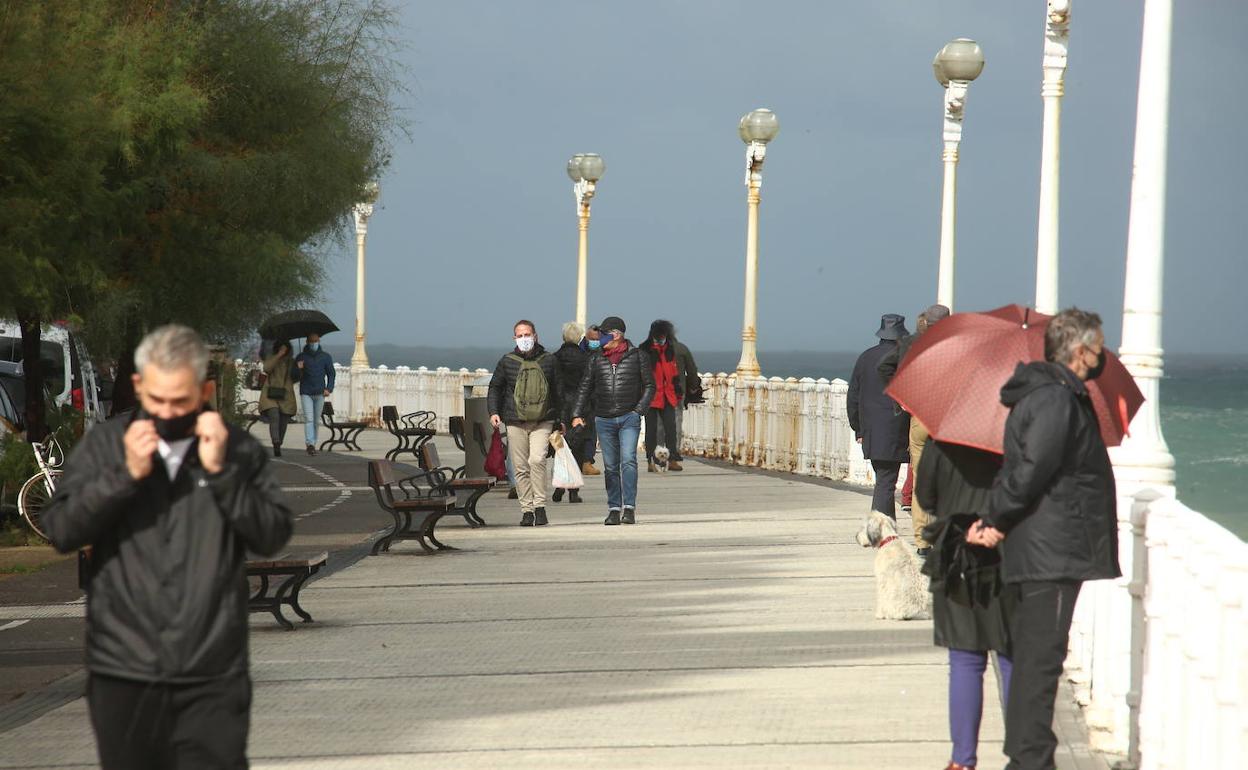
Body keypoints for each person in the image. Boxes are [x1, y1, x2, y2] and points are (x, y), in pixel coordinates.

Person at [41, 324, 293, 770]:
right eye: (157, 401)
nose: (168, 413)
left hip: (212, 672)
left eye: (181, 401)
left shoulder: (236, 451)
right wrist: (123, 475)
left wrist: (222, 475)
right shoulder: (105, 446)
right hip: (124, 669)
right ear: (139, 386)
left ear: (205, 389)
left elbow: (272, 534)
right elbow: (62, 529)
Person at [969, 308, 1119, 770]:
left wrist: (996, 518)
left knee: (1033, 658)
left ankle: (1029, 758)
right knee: (1040, 661)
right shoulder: (1055, 399)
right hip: (1051, 550)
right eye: (1098, 347)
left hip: (1043, 545)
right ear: (1079, 351)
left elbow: (1026, 468)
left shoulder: (1048, 395)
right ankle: (1030, 760)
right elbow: (1033, 470)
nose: (1102, 356)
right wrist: (994, 517)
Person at [915, 438, 1014, 770]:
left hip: (958, 554)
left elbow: (926, 497)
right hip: (1011, 553)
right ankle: (1023, 755)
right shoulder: (1020, 432)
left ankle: (962, 760)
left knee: (965, 659)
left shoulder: (943, 438)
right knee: (1012, 657)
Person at [880, 303, 951, 554]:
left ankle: (922, 541)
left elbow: (884, 367)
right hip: (946, 419)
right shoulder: (954, 344)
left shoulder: (910, 343)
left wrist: (902, 397)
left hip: (919, 417)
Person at [572, 316, 654, 525]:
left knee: (628, 461)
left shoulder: (638, 356)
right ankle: (614, 508)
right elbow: (585, 386)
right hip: (604, 418)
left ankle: (629, 507)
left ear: (617, 335)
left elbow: (649, 386)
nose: (599, 339)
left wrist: (638, 411)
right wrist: (576, 414)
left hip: (629, 417)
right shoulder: (596, 358)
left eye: (604, 334)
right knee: (610, 466)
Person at [488, 319, 563, 526]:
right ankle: (527, 510)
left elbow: (558, 390)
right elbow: (495, 387)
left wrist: (560, 420)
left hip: (543, 419)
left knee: (537, 460)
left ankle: (540, 506)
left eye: (527, 334)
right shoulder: (507, 361)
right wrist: (493, 411)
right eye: (520, 336)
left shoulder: (549, 360)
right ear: (514, 338)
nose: (524, 339)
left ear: (535, 335)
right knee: (520, 467)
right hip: (514, 420)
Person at [846, 313, 911, 518]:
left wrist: (858, 427)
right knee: (886, 481)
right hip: (897, 427)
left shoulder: (865, 357)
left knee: (883, 479)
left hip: (872, 430)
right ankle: (881, 529)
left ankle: (883, 526)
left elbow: (853, 396)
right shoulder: (906, 357)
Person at [552, 321, 591, 503]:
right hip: (579, 408)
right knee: (577, 449)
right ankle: (573, 491)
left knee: (560, 449)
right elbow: (589, 386)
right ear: (580, 338)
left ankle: (559, 486)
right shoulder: (586, 359)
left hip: (559, 408)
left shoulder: (554, 358)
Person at [640, 319, 684, 472]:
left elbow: (674, 372)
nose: (662, 338)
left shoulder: (669, 349)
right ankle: (650, 460)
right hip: (650, 396)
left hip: (667, 395)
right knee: (651, 431)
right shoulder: (644, 350)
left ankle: (672, 459)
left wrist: (677, 392)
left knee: (671, 429)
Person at [258, 340, 299, 457]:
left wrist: (300, 368)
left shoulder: (291, 362)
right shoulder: (272, 358)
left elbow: (296, 378)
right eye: (281, 348)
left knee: (284, 421)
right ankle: (276, 442)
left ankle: (279, 441)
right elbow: (266, 368)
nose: (283, 351)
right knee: (274, 416)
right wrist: (278, 355)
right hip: (270, 393)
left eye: (285, 349)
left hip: (286, 395)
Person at [295, 332, 334, 455]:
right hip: (306, 391)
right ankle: (310, 444)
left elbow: (331, 373)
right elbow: (295, 377)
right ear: (307, 342)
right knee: (309, 419)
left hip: (320, 392)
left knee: (316, 420)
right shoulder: (301, 357)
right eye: (311, 341)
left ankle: (314, 442)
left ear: (319, 341)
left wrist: (329, 388)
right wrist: (298, 368)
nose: (314, 343)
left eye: (315, 341)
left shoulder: (325, 357)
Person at [671, 328, 701, 453]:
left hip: (657, 392)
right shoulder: (681, 348)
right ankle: (674, 450)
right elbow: (692, 370)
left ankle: (656, 450)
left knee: (658, 422)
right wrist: (694, 387)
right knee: (676, 420)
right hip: (678, 391)